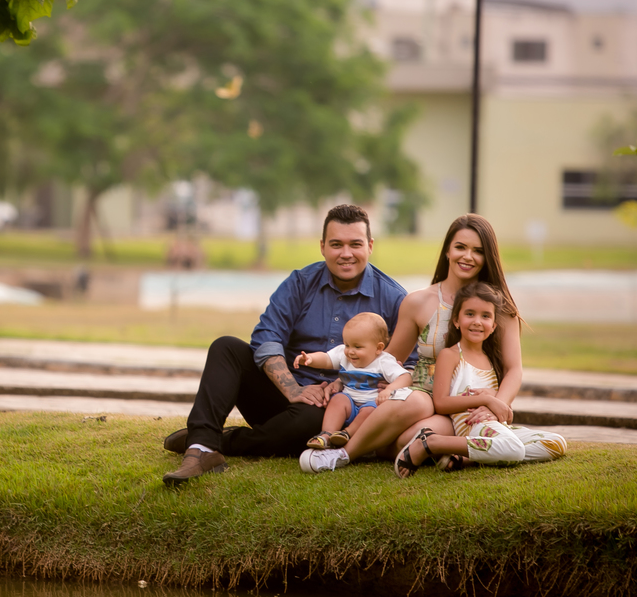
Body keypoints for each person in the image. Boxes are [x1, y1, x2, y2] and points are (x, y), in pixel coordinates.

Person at [161, 204, 425, 486]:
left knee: (311, 421)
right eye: (336, 244)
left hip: (342, 411)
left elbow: (411, 363)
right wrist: (293, 389)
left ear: (370, 246)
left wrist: (386, 384)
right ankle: (201, 449)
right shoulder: (300, 282)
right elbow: (266, 336)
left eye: (355, 244)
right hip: (281, 394)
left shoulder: (394, 298)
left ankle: (217, 441)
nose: (346, 253)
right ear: (322, 246)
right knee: (226, 347)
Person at [298, 213, 520, 473]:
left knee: (405, 441)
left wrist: (496, 406)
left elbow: (514, 369)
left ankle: (348, 452)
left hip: (469, 407)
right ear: (448, 250)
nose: (467, 256)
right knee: (412, 413)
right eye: (460, 247)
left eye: (478, 251)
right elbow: (388, 358)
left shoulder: (499, 309)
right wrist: (346, 378)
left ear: (488, 256)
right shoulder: (418, 302)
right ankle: (341, 455)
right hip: (423, 400)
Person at [394, 282, 567, 476]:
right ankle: (431, 442)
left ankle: (466, 458)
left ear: (493, 326)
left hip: (496, 427)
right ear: (456, 320)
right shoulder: (450, 355)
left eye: (485, 316)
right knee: (514, 449)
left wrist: (497, 402)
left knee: (556, 443)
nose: (477, 321)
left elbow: (501, 407)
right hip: (472, 427)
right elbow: (440, 403)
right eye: (470, 314)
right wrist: (486, 399)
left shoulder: (491, 359)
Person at [293, 312, 416, 450]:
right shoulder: (344, 355)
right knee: (338, 399)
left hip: (371, 404)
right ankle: (326, 435)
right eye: (347, 345)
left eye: (357, 347)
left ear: (378, 348)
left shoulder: (384, 361)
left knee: (371, 412)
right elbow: (326, 359)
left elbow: (405, 377)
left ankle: (346, 434)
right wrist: (310, 359)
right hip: (349, 402)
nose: (350, 351)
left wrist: (389, 389)